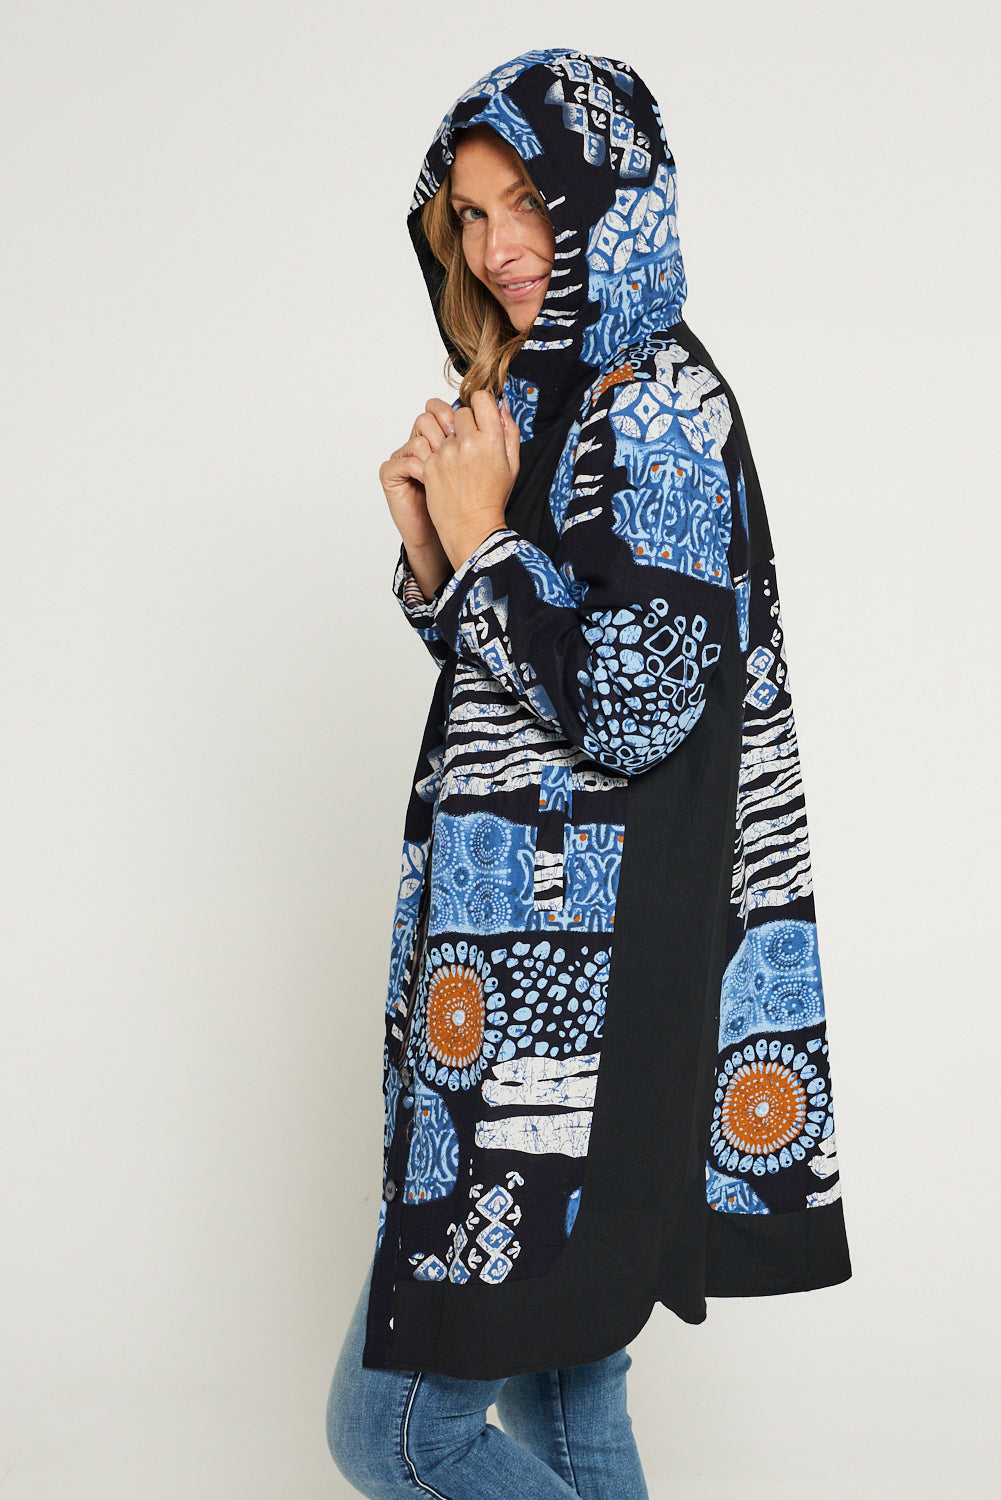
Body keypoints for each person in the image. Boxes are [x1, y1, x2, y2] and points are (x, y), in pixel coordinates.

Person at [326, 49, 851, 1498]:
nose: (497, 246)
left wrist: (486, 542)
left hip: (571, 1020)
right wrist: (442, 559)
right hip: (546, 992)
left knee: (395, 1436)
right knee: (568, 1410)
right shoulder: (562, 392)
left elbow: (634, 709)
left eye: (529, 204)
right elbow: (547, 687)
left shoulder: (653, 398)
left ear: (608, 199)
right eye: (471, 212)